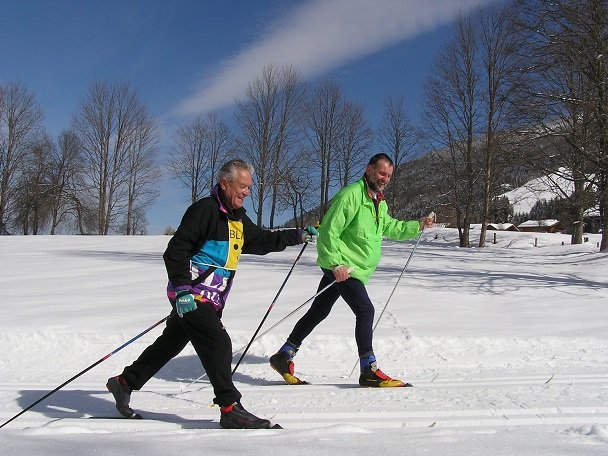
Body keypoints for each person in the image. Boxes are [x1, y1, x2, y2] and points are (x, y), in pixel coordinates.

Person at [106, 159, 317, 429]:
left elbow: (261, 240)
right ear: (224, 183)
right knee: (219, 342)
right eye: (242, 186)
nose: (246, 192)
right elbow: (176, 250)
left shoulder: (238, 219)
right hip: (192, 295)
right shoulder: (204, 211)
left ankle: (125, 382)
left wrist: (297, 235)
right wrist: (182, 288)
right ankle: (230, 408)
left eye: (249, 188)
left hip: (210, 299)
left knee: (171, 343)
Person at [269, 153, 433, 388]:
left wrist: (417, 225)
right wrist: (336, 264)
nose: (384, 178)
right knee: (365, 310)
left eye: (388, 175)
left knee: (319, 311)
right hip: (344, 267)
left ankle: (284, 355)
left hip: (351, 268)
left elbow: (391, 226)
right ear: (368, 170)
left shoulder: (378, 202)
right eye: (381, 173)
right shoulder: (350, 196)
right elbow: (328, 231)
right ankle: (368, 369)